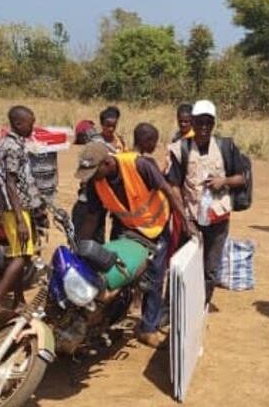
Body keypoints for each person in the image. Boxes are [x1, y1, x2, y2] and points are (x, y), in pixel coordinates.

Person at [75, 126, 196, 348]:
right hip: (126, 227)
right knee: (115, 271)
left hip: (155, 229)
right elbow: (93, 216)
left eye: (94, 172)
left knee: (154, 279)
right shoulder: (96, 181)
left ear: (107, 163)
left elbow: (169, 191)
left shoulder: (140, 165)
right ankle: (113, 315)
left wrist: (186, 223)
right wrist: (79, 247)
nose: (90, 178)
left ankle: (148, 329)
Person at [166, 100, 247, 309]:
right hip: (190, 219)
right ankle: (172, 309)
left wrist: (224, 181)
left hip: (218, 220)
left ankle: (200, 307)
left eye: (208, 123)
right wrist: (184, 219)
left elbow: (242, 178)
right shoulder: (180, 149)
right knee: (181, 266)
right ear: (192, 122)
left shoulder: (226, 147)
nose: (203, 127)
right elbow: (173, 186)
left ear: (213, 124)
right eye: (199, 122)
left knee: (210, 268)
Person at [0, 106, 44, 317]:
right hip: (14, 209)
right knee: (22, 257)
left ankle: (19, 301)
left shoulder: (7, 143)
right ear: (18, 124)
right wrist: (19, 219)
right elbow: (10, 182)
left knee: (19, 254)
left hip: (15, 208)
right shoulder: (13, 147)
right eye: (30, 123)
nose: (32, 127)